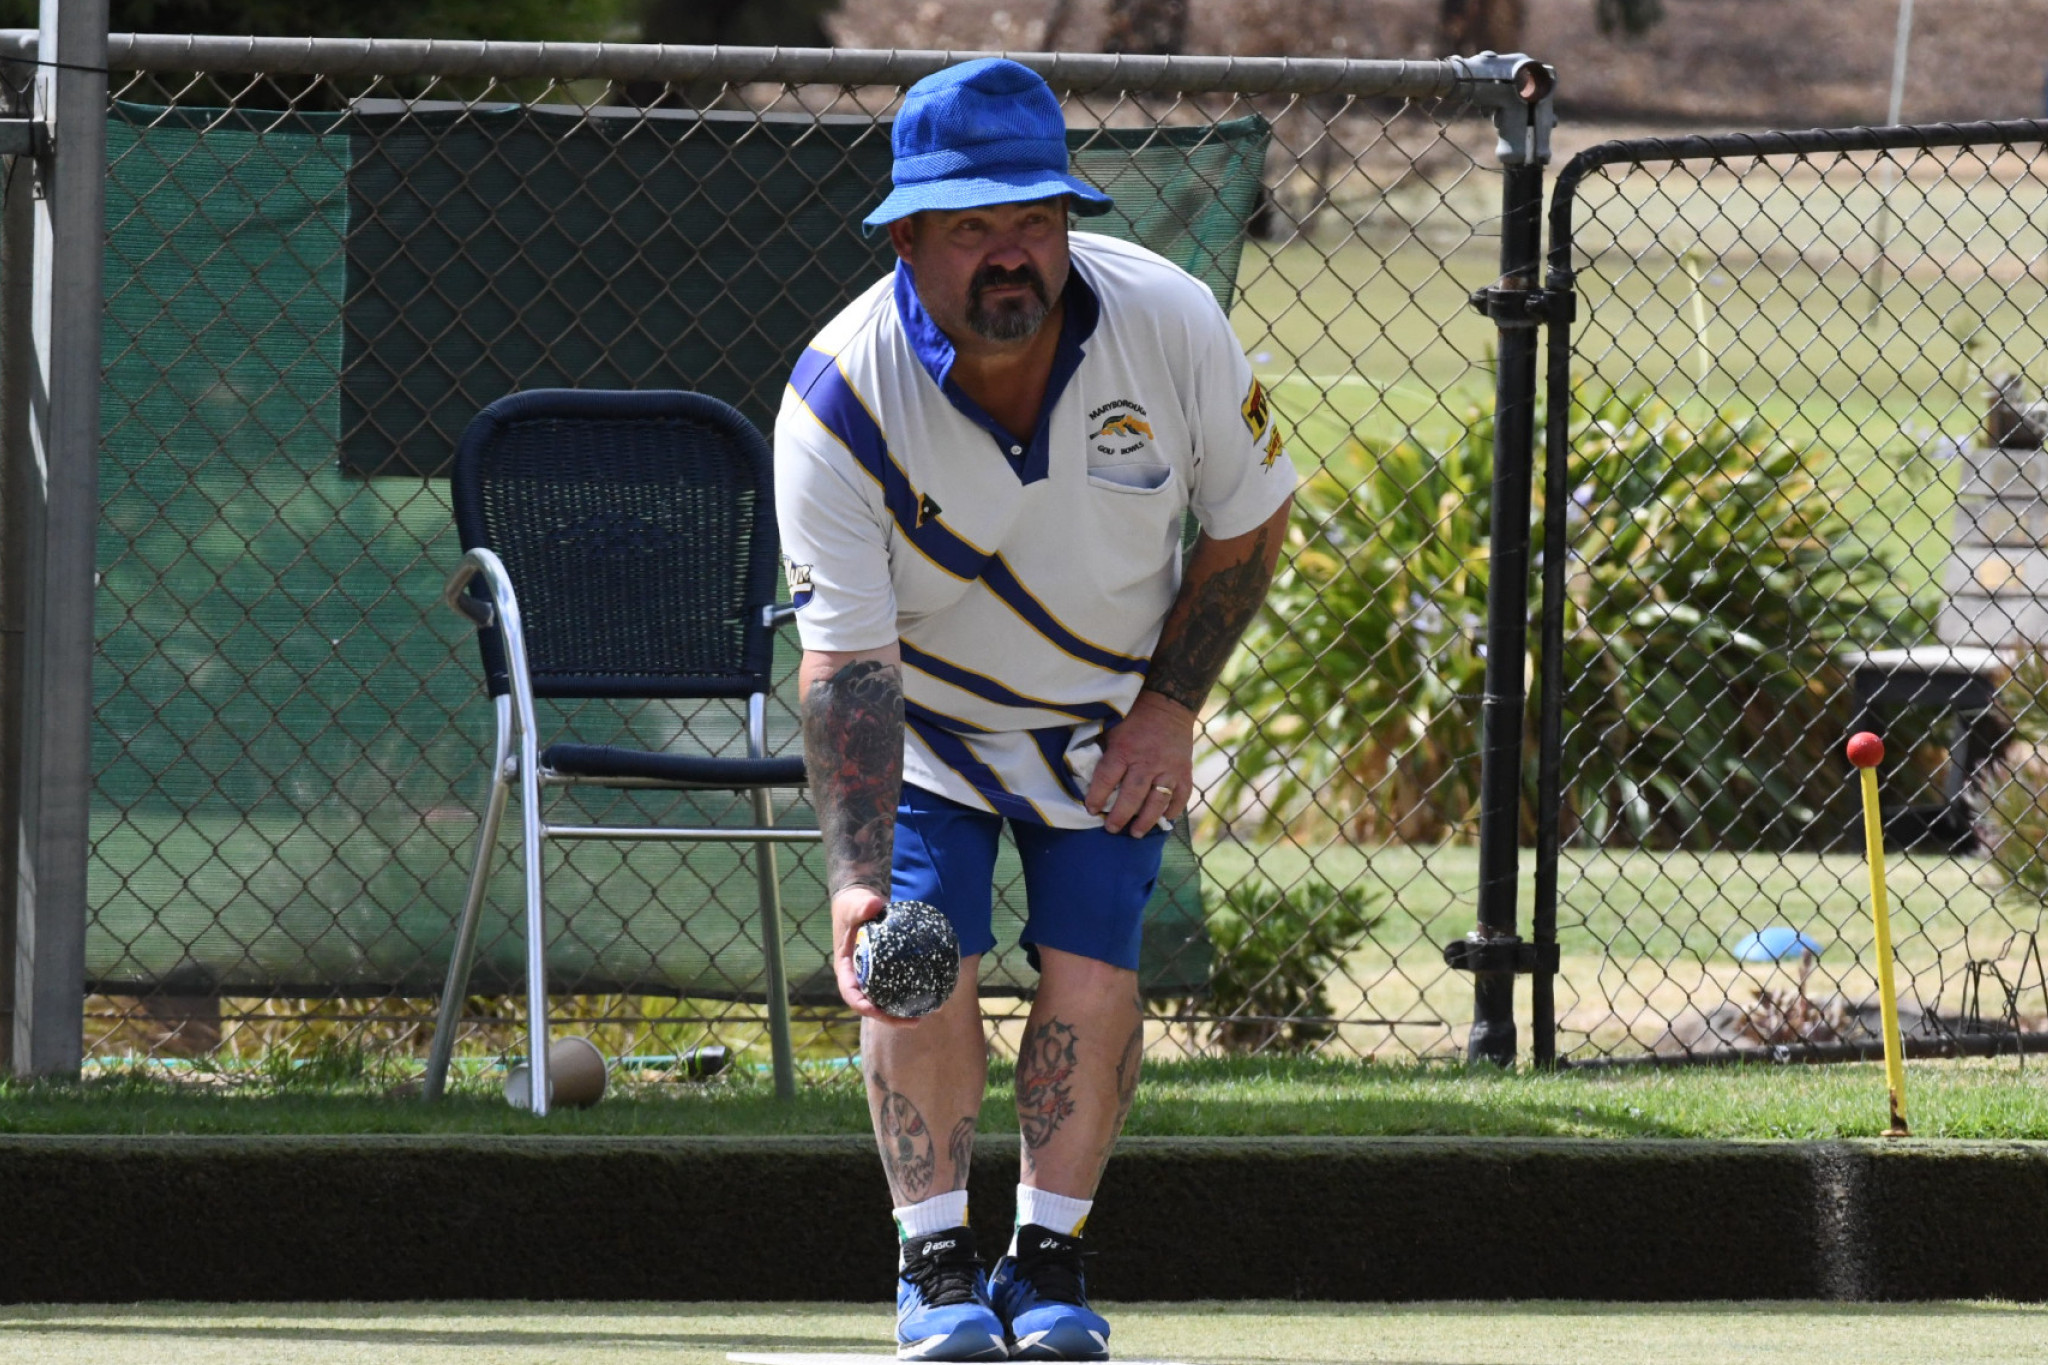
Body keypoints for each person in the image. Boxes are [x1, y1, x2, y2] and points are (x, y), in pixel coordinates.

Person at [774, 56, 1294, 1363]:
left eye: (1036, 220)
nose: (1012, 254)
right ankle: (935, 1268)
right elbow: (847, 663)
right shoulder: (838, 398)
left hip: (1109, 715)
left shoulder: (1171, 322)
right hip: (926, 723)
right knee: (915, 960)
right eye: (972, 227)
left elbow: (1250, 522)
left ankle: (1048, 1260)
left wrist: (1169, 709)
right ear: (905, 238)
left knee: (1094, 965)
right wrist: (855, 877)